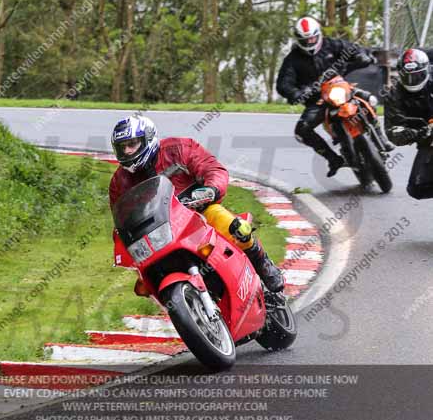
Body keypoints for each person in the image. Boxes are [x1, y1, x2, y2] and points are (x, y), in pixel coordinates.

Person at [108, 115, 284, 292]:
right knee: (145, 285)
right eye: (122, 147)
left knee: (236, 227)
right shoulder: (119, 182)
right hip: (159, 234)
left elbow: (212, 168)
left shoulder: (178, 148)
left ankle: (262, 263)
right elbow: (121, 218)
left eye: (132, 144)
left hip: (198, 213)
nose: (128, 151)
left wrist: (211, 189)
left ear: (148, 138)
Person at [276, 16, 392, 177]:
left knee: (368, 99)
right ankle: (333, 159)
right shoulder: (293, 59)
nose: (310, 42)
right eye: (305, 40)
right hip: (317, 100)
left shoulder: (332, 44)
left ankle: (381, 137)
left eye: (312, 38)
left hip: (340, 87)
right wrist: (296, 93)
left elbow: (353, 49)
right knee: (301, 130)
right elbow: (283, 84)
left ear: (318, 35)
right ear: (298, 39)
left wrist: (363, 56)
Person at [384, 48, 433, 199]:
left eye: (417, 76)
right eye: (408, 77)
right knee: (416, 189)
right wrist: (404, 134)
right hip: (427, 139)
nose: (413, 80)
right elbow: (391, 130)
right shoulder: (394, 94)